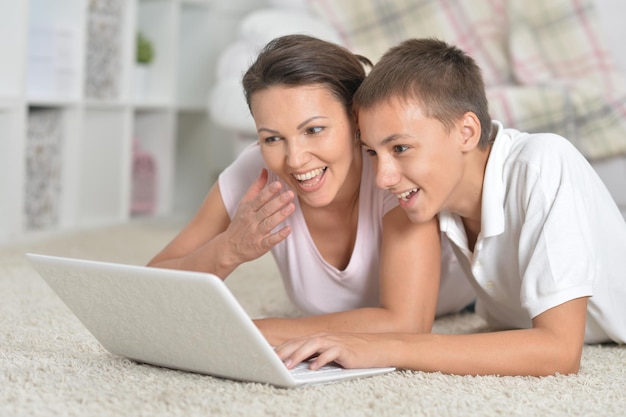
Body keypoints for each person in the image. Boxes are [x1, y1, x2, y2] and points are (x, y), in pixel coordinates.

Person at [276, 38, 626, 376]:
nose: (382, 178)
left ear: (466, 132)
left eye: (399, 148)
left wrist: (383, 348)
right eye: (372, 152)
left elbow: (559, 351)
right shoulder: (437, 195)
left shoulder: (543, 162)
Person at [148, 35, 475, 346]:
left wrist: (256, 331)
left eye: (314, 130)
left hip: (476, 301)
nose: (295, 159)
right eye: (272, 138)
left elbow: (407, 324)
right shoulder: (255, 174)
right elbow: (150, 288)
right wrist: (227, 250)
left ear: (355, 121)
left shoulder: (392, 175)